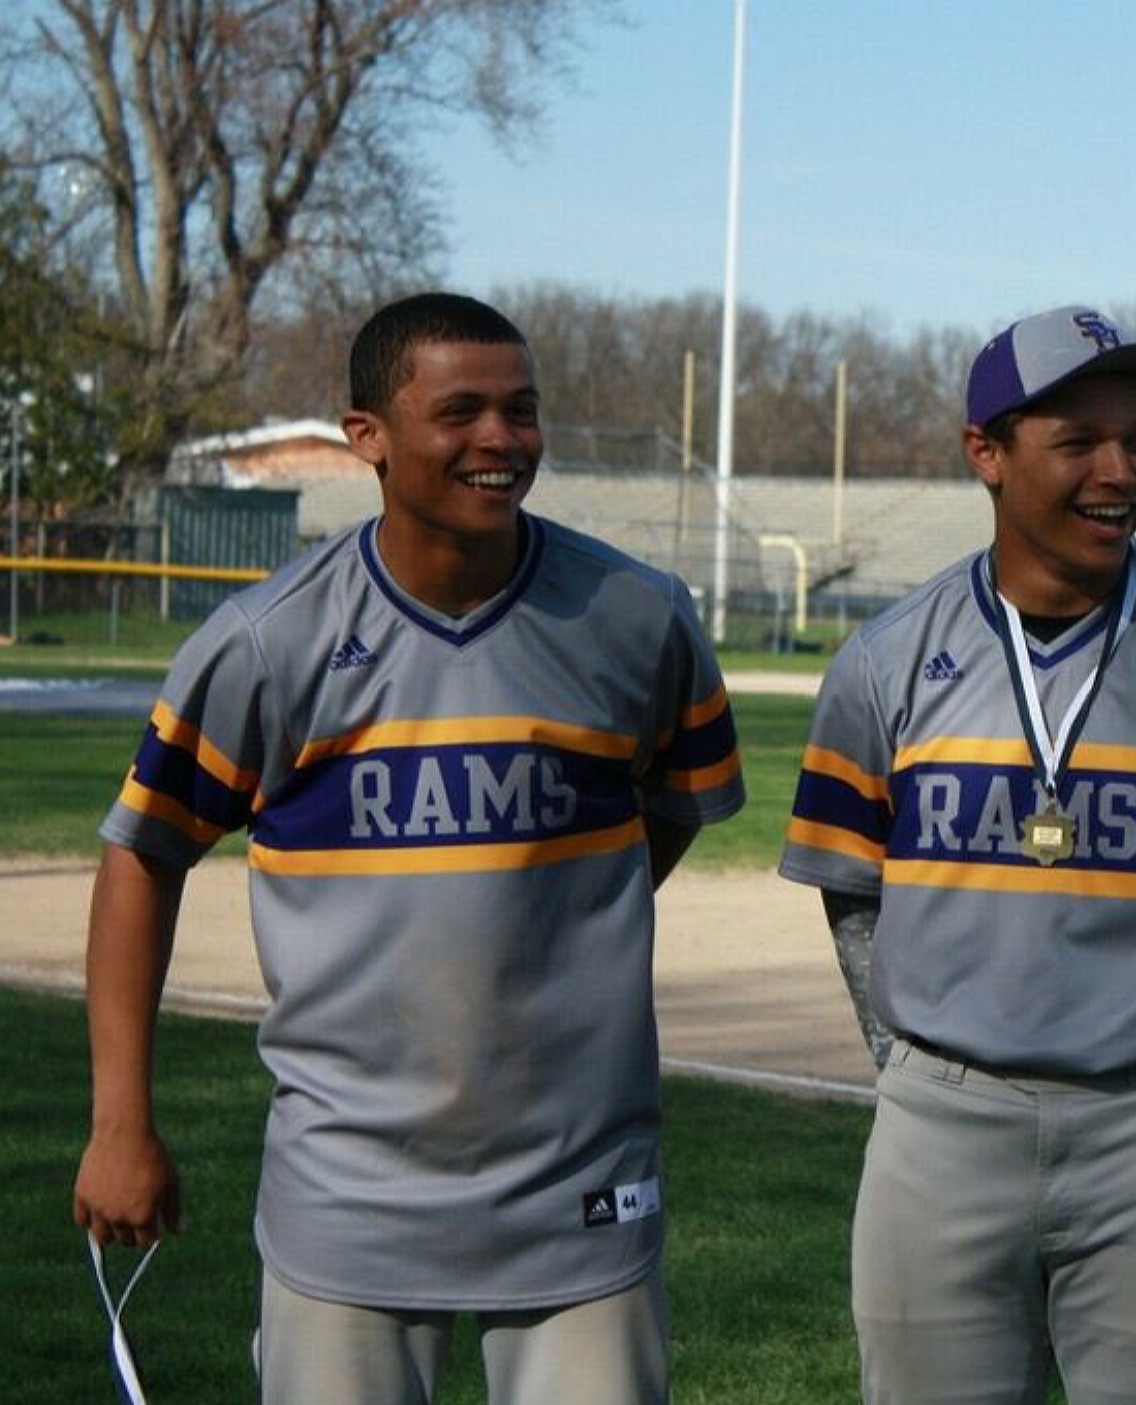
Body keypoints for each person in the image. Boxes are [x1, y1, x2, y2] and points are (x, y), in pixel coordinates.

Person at [73, 292, 745, 1404]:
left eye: (521, 410)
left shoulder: (637, 615)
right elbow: (142, 854)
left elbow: (666, 813)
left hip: (580, 1174)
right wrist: (119, 1125)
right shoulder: (266, 641)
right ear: (367, 437)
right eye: (462, 411)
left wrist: (550, 913)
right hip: (347, 1185)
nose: (500, 440)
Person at [779, 305, 1136, 1404]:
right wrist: (917, 1068)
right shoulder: (886, 661)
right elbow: (853, 897)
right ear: (984, 454)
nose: (1118, 470)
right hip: (939, 1121)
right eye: (1077, 440)